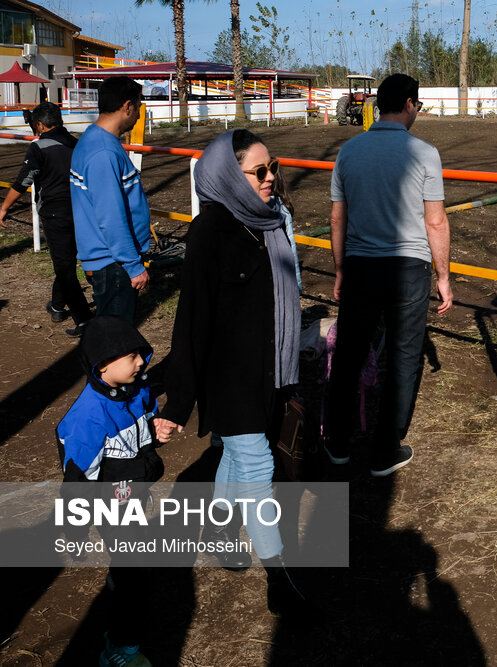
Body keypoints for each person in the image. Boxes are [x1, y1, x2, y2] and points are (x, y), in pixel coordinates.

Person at [154, 129, 306, 615]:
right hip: (229, 376)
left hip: (271, 369)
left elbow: (289, 294)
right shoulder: (211, 230)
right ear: (229, 176)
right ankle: (280, 579)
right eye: (258, 171)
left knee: (239, 458)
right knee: (258, 465)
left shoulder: (272, 220)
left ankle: (219, 526)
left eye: (272, 167)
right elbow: (192, 319)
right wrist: (178, 401)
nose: (270, 178)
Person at [322, 73, 452, 477]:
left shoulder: (349, 151)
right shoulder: (424, 153)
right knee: (403, 356)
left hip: (360, 264)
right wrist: (443, 276)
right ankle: (385, 448)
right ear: (410, 104)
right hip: (408, 268)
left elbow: (337, 217)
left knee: (350, 353)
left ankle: (338, 442)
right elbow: (435, 221)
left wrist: (341, 268)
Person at [56, 315, 168, 667]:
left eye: (140, 353)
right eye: (132, 356)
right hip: (110, 505)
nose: (141, 361)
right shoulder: (90, 418)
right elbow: (76, 485)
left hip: (132, 493)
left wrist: (156, 430)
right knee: (135, 577)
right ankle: (120, 647)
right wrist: (73, 532)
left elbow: (144, 424)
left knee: (131, 567)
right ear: (103, 365)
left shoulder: (138, 389)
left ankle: (120, 576)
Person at [0, 102, 91, 336]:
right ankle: (57, 306)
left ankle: (84, 320)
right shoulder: (77, 144)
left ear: (40, 125)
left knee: (64, 267)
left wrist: (4, 207)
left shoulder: (39, 147)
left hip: (54, 212)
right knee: (67, 261)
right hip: (82, 210)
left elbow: (24, 181)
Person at [70, 76, 150, 325]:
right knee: (116, 343)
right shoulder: (104, 153)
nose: (138, 114)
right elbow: (111, 217)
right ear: (127, 106)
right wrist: (133, 265)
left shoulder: (93, 139)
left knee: (111, 337)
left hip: (108, 260)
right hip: (113, 263)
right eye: (138, 106)